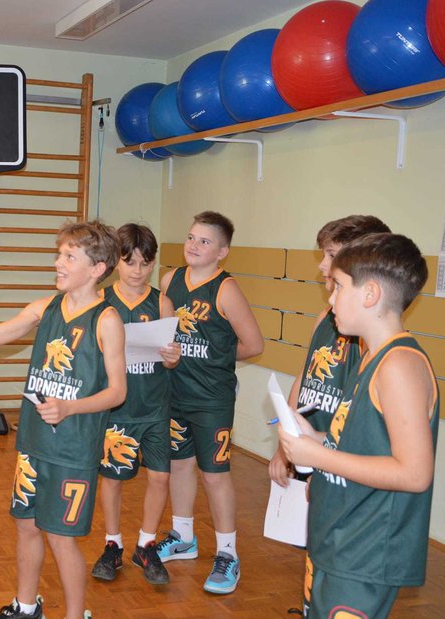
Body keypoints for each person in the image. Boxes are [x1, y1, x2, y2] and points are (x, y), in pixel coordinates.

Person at [0, 221, 127, 619]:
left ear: (98, 268)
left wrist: (70, 407)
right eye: (59, 254)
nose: (58, 262)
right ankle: (25, 606)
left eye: (69, 256)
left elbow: (118, 392)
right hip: (34, 443)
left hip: (72, 451)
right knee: (26, 525)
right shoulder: (44, 308)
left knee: (61, 537)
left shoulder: (106, 320)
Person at [278, 233, 438, 619]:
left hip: (364, 551)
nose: (330, 298)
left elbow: (415, 473)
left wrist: (318, 456)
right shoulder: (371, 357)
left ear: (369, 295)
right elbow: (363, 442)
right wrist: (314, 436)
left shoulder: (398, 365)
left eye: (339, 287)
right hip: (338, 539)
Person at [154, 211, 264, 595]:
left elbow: (255, 345)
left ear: (223, 251)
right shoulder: (170, 280)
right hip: (174, 392)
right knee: (179, 466)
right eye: (190, 237)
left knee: (214, 474)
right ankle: (183, 536)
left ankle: (228, 554)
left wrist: (211, 356)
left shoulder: (225, 289)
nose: (193, 245)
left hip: (211, 398)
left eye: (204, 241)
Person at [269, 216, 391, 488]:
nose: (323, 265)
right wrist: (284, 446)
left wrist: (324, 460)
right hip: (308, 444)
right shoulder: (326, 316)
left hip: (339, 459)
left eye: (331, 255)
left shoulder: (370, 336)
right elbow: (303, 378)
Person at [90, 223, 180, 586]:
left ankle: (146, 545)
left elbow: (172, 357)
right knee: (112, 480)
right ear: (116, 262)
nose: (137, 271)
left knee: (160, 476)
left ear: (153, 264)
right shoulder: (101, 302)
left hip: (155, 406)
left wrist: (172, 357)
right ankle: (112, 544)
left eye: (145, 263)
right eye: (130, 263)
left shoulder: (161, 301)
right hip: (117, 409)